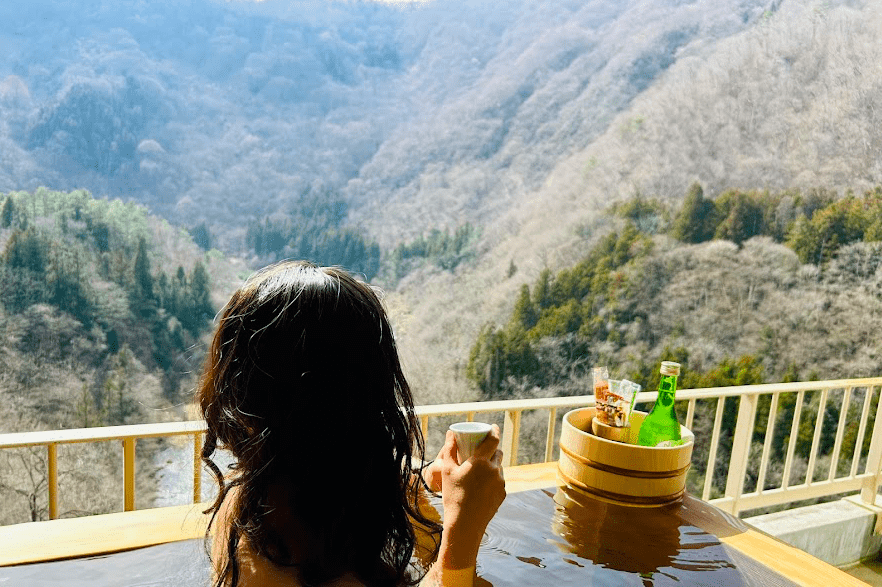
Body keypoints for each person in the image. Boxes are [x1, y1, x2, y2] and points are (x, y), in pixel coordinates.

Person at [196, 261, 506, 587]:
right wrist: (463, 531)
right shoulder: (258, 549)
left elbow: (339, 493)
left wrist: (426, 481)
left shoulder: (267, 495)